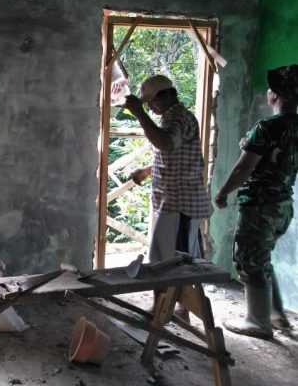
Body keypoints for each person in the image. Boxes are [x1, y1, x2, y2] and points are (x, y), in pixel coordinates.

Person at [214, 64, 298, 339]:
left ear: (276, 95)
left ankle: (258, 322)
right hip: (283, 206)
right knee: (261, 258)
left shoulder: (266, 127)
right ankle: (275, 315)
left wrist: (223, 191)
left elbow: (243, 168)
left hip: (259, 206)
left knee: (249, 260)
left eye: (270, 90)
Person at [123, 75, 212, 318]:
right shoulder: (171, 117)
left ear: (168, 95)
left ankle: (173, 309)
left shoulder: (178, 116)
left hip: (180, 203)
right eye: (147, 104)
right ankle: (172, 308)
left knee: (173, 260)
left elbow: (166, 144)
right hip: (173, 201)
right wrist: (147, 171)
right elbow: (174, 156)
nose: (151, 107)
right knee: (165, 257)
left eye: (152, 101)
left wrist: (140, 114)